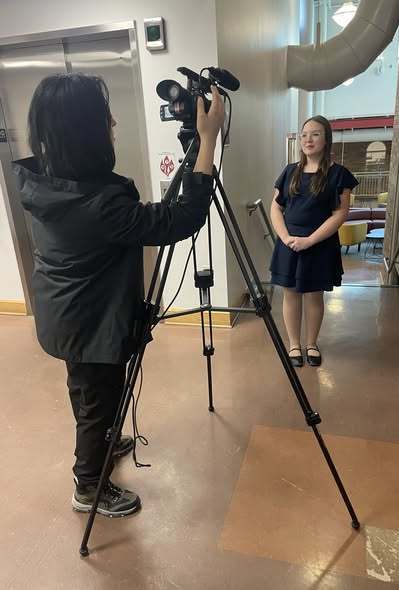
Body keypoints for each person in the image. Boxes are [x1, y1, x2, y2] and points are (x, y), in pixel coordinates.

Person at [13, 73, 224, 517]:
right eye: (102, 115)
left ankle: (104, 440)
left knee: (89, 394)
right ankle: (88, 485)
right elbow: (178, 220)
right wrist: (208, 141)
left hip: (67, 314)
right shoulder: (98, 204)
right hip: (90, 322)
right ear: (84, 130)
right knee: (98, 401)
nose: (112, 121)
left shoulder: (45, 181)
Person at [270, 115, 358, 368]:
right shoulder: (289, 172)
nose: (308, 139)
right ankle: (294, 344)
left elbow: (340, 214)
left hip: (319, 242)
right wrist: (286, 237)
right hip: (289, 242)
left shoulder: (338, 174)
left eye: (315, 134)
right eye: (304, 134)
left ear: (326, 138)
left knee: (313, 296)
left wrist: (309, 241)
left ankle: (311, 344)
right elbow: (275, 207)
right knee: (290, 295)